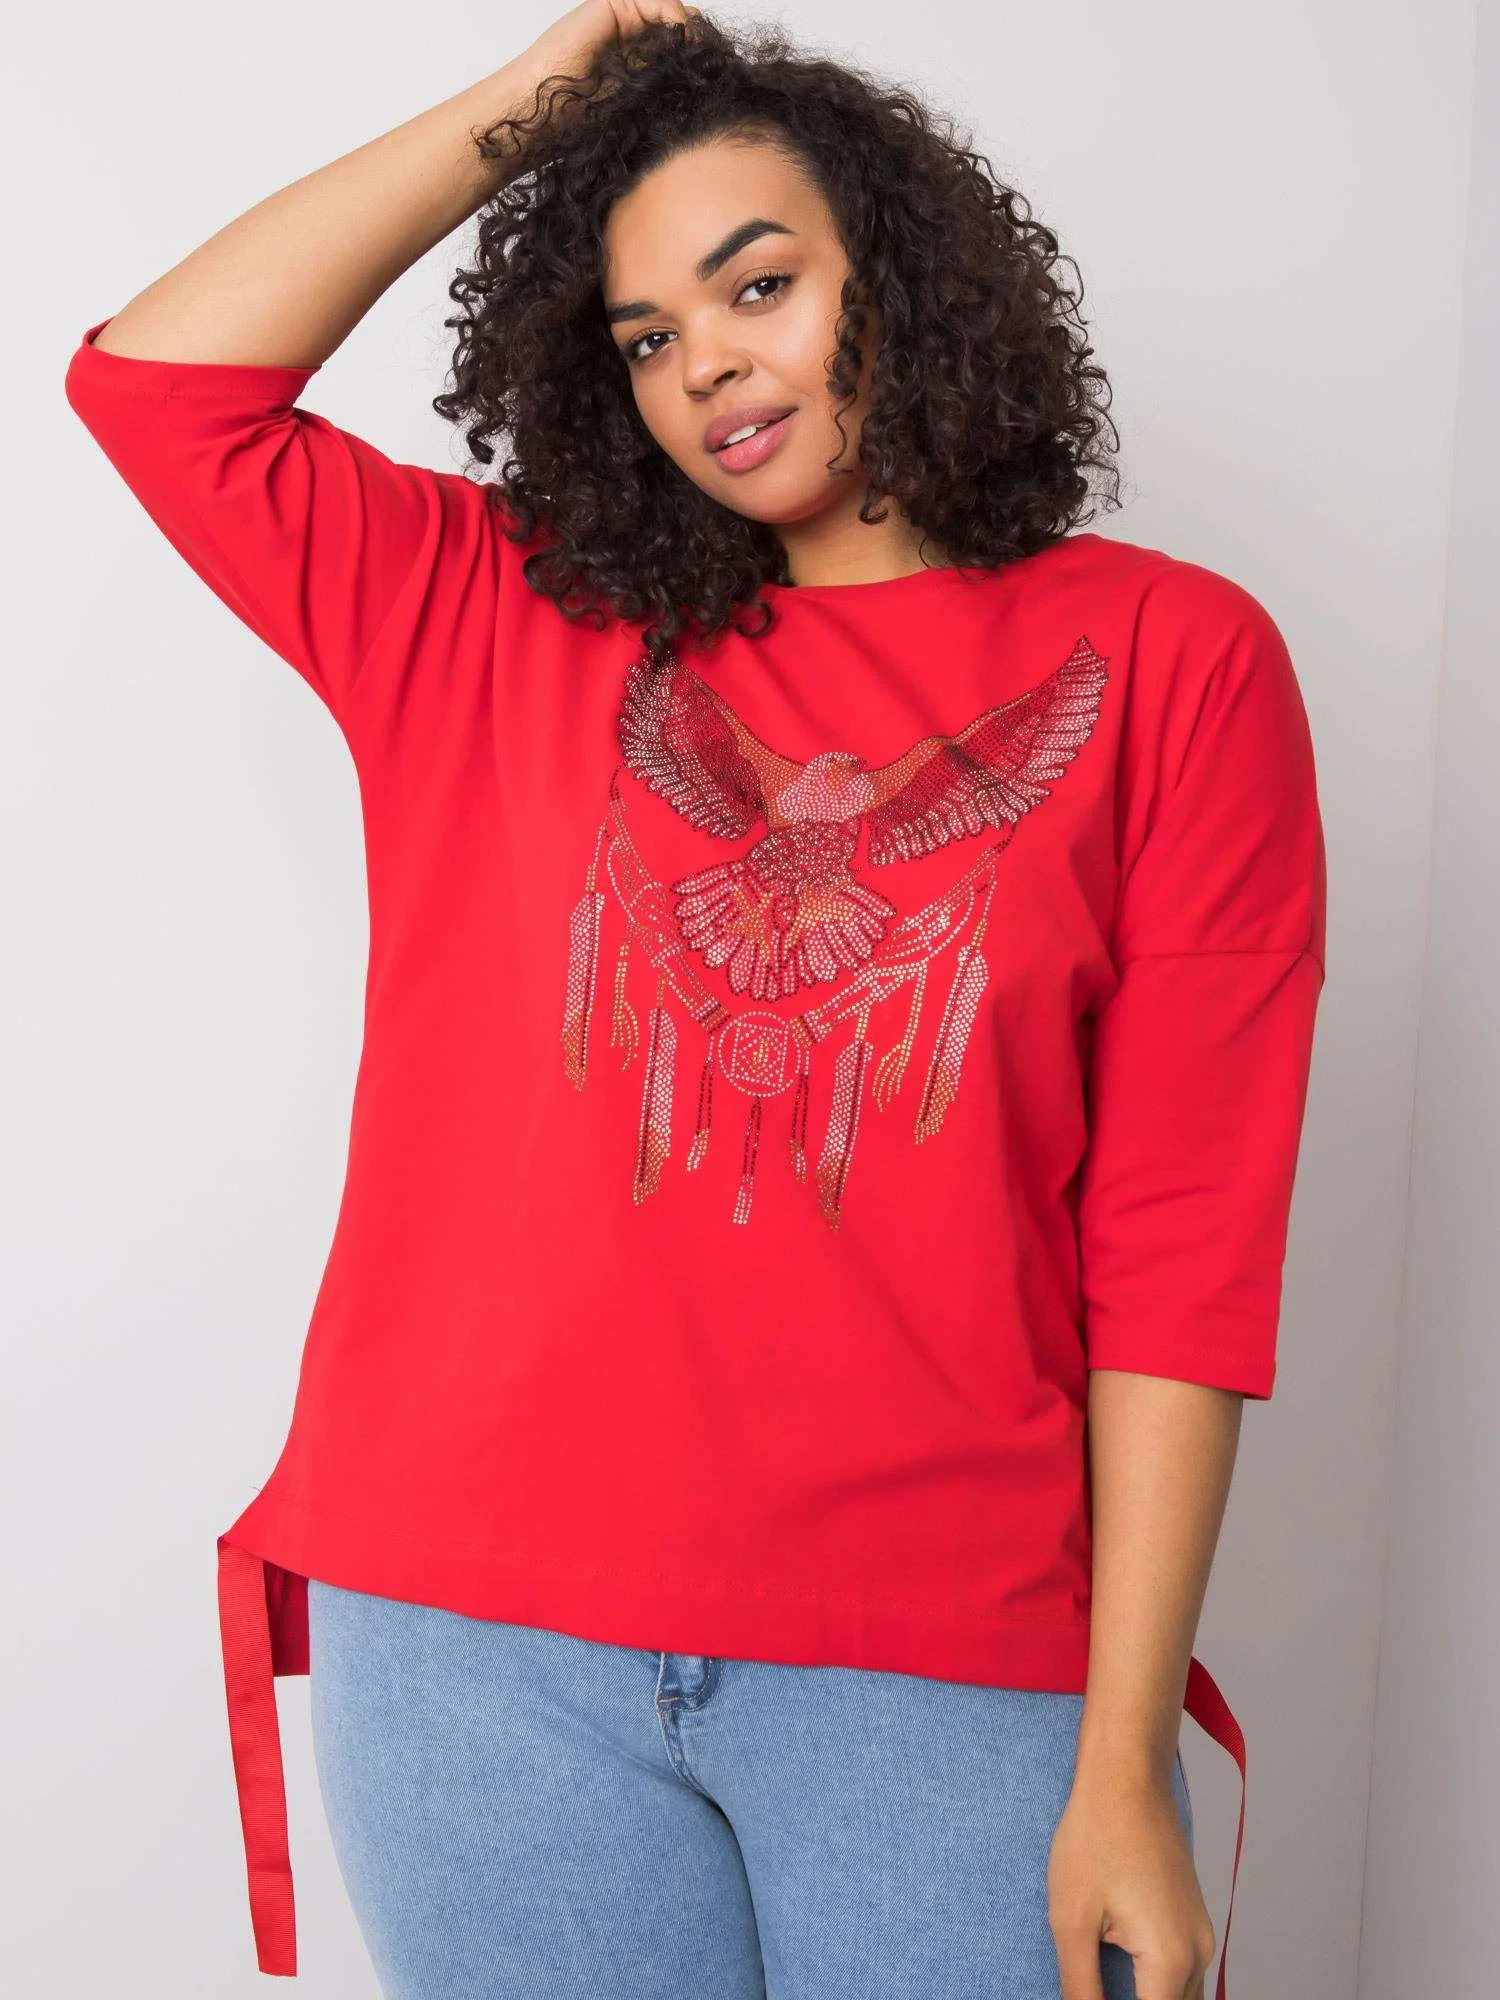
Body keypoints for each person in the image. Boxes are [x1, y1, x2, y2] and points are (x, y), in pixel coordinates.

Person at [63, 6, 1327, 1998]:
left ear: (897, 276)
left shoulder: (1173, 658)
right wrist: (550, 93)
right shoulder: (495, 613)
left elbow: (1181, 1248)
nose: (710, 361)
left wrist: (1120, 1761)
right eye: (646, 334)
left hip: (941, 1655)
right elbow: (156, 387)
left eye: (758, 285)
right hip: (477, 1647)